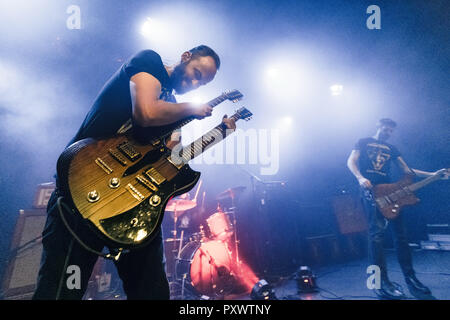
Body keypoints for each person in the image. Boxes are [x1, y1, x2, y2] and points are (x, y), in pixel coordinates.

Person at [33, 45, 236, 300]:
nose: (195, 83)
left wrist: (218, 134)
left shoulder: (172, 106)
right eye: (196, 73)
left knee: (152, 292)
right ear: (185, 57)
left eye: (201, 82)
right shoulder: (149, 61)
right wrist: (192, 108)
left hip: (132, 209)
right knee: (61, 292)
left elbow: (171, 160)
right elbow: (146, 113)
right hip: (83, 192)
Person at [347, 118, 448, 299]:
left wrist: (434, 175)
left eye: (391, 130)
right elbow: (351, 161)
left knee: (401, 236)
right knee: (376, 236)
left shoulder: (392, 149)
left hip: (390, 191)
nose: (388, 132)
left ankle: (411, 278)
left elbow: (408, 171)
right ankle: (379, 282)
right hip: (370, 190)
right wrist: (360, 178)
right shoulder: (363, 141)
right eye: (386, 128)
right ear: (378, 126)